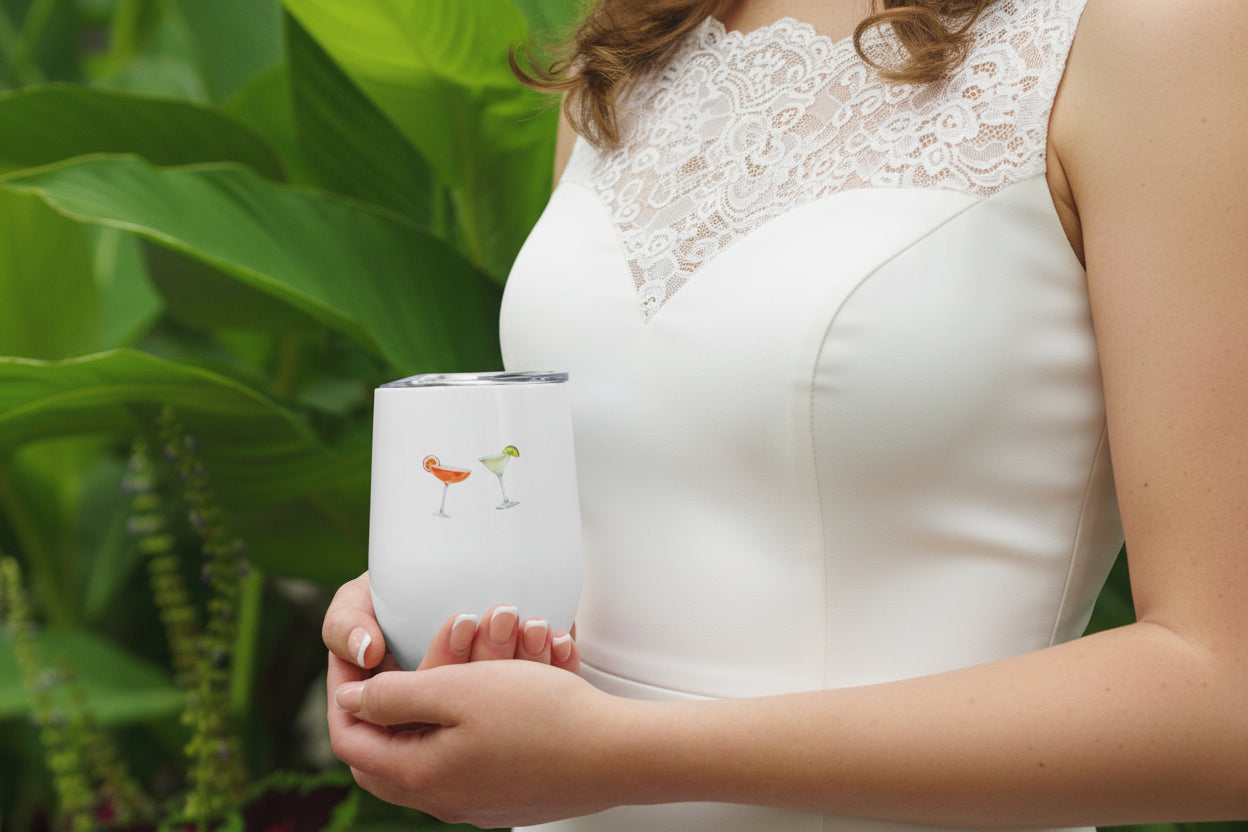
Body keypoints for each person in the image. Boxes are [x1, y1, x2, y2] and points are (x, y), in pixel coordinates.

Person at [322, 0, 1248, 829]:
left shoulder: (1155, 29)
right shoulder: (636, 33)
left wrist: (621, 756)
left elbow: (1224, 699)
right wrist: (435, 627)